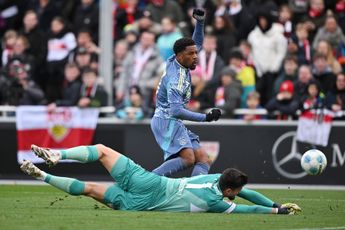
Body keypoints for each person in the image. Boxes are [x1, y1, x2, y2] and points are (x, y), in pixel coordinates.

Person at [20, 144, 301, 214]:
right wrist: (277, 211)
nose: (239, 192)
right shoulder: (217, 202)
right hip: (142, 205)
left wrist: (276, 205)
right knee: (91, 190)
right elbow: (249, 206)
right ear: (230, 190)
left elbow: (247, 194)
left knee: (103, 151)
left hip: (149, 182)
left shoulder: (216, 178)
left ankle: (57, 155)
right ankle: (43, 175)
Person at [151, 9, 222, 177]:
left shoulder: (175, 60)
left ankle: (196, 193)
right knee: (189, 159)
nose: (196, 56)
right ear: (180, 56)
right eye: (191, 54)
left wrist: (200, 22)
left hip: (172, 121)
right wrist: (206, 117)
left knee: (203, 159)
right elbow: (176, 111)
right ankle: (145, 182)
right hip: (166, 120)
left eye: (196, 53)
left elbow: (194, 43)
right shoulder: (177, 80)